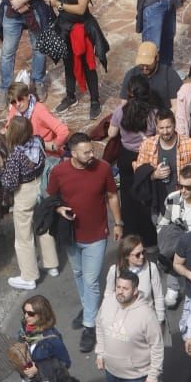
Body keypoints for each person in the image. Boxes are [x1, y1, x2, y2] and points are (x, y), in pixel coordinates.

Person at [48, 134, 121, 353]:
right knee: (79, 274)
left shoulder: (103, 168)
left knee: (90, 280)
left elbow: (111, 196)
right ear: (73, 152)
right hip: (71, 235)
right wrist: (59, 209)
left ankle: (90, 325)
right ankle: (88, 308)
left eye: (91, 150)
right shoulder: (59, 172)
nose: (92, 155)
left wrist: (118, 222)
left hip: (96, 235)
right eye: (86, 152)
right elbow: (51, 198)